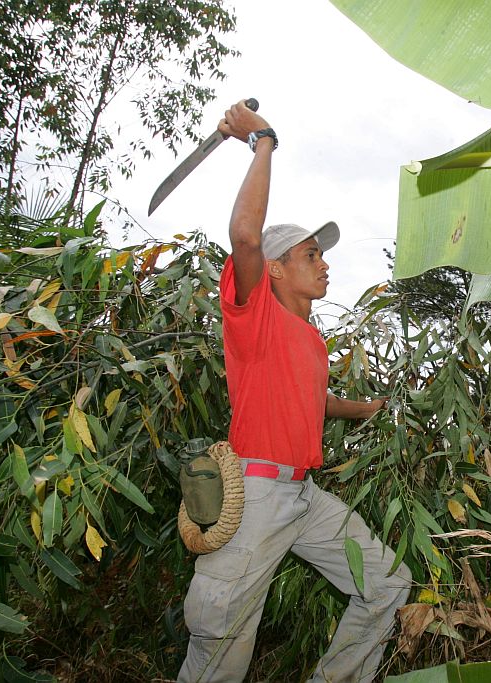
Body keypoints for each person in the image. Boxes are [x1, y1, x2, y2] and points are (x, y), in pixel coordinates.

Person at [177, 100, 412, 683]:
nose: (324, 263)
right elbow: (243, 235)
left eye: (324, 254)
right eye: (311, 254)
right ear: (275, 270)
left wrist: (367, 410)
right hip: (254, 499)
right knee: (222, 647)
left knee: (385, 582)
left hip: (302, 496)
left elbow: (314, 403)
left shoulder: (310, 340)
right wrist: (263, 142)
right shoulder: (254, 315)